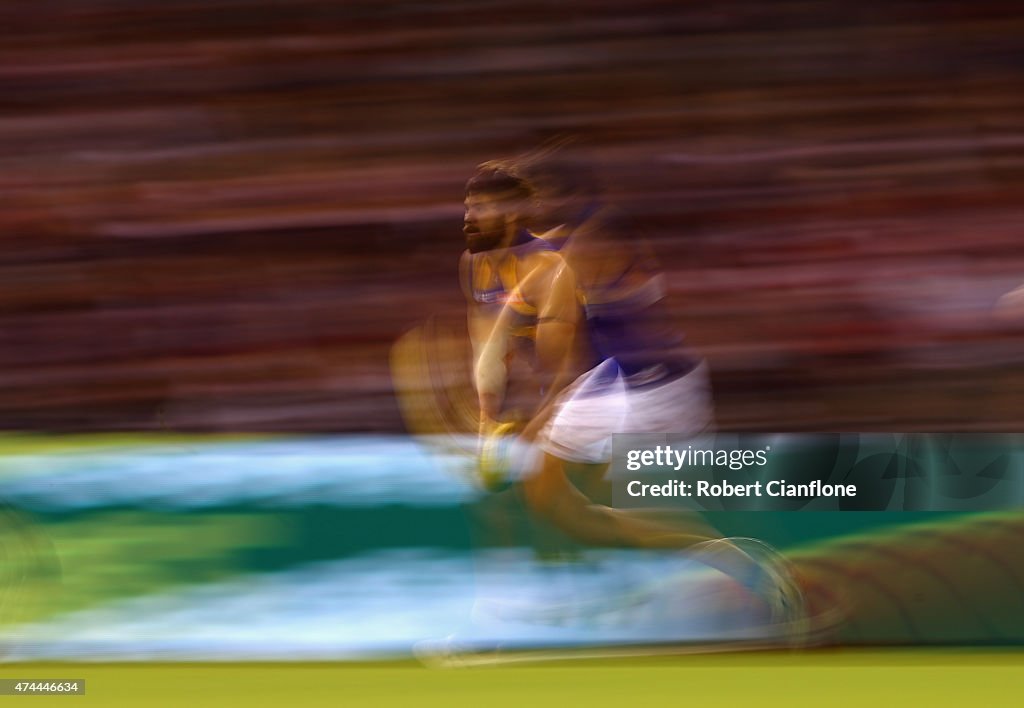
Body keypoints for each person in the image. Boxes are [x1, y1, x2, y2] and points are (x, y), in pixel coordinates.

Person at [461, 158, 803, 627]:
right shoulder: (483, 265)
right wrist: (489, 418)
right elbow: (493, 345)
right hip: (619, 383)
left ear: (516, 209)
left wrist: (532, 421)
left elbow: (565, 364)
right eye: (469, 204)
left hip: (634, 383)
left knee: (548, 492)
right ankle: (607, 590)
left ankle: (728, 563)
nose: (469, 215)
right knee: (571, 497)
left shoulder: (555, 263)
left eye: (481, 205)